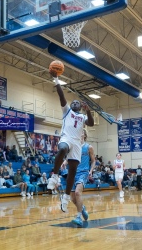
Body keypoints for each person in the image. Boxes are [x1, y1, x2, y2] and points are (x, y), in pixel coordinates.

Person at [47, 71, 94, 212]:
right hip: (67, 138)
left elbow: (91, 123)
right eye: (72, 102)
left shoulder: (82, 116)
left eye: (77, 102)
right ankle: (54, 176)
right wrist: (56, 79)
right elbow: (61, 95)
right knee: (61, 149)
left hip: (77, 143)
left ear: (80, 107)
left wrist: (89, 111)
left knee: (72, 171)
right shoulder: (67, 111)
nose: (74, 103)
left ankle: (66, 198)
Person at [71, 129, 95, 226]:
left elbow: (93, 161)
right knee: (73, 199)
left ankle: (78, 217)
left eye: (81, 132)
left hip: (83, 172)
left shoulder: (88, 147)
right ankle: (83, 208)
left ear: (84, 135)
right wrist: (64, 163)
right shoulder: (74, 146)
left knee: (77, 192)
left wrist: (91, 171)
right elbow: (69, 158)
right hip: (73, 173)